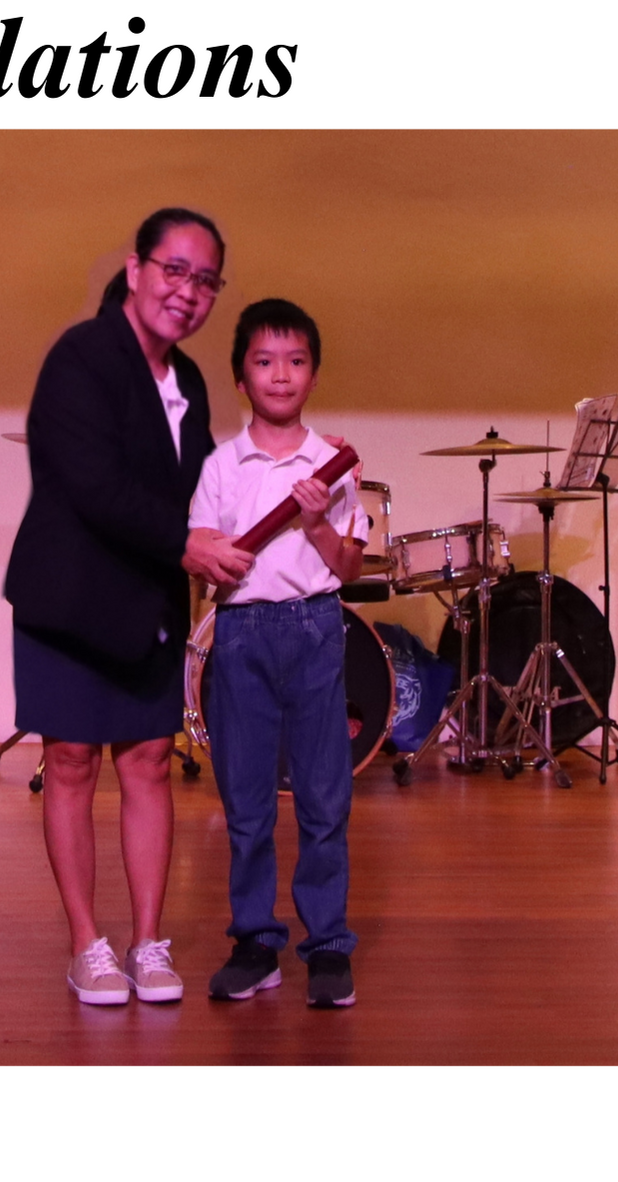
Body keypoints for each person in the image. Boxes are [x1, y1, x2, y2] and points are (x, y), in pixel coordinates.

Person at [4, 208, 253, 1006]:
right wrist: (186, 544)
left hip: (147, 597)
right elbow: (91, 483)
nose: (188, 292)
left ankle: (148, 943)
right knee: (71, 762)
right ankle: (87, 945)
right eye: (175, 270)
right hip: (70, 595)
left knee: (147, 763)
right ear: (137, 269)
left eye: (206, 280)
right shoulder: (81, 357)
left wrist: (275, 495)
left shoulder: (190, 381)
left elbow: (199, 486)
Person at [189, 298, 366, 1008]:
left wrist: (318, 521)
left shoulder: (333, 463)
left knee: (324, 797)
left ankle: (327, 946)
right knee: (246, 800)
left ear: (314, 375)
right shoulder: (220, 465)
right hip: (240, 635)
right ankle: (255, 943)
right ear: (241, 378)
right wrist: (212, 560)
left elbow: (348, 568)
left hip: (315, 629)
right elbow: (204, 557)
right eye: (264, 362)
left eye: (295, 361)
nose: (281, 375)